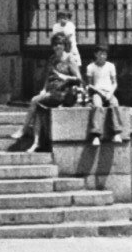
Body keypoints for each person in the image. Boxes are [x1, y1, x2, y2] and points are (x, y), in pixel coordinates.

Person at [11, 8, 83, 151]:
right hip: (52, 92)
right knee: (38, 110)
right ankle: (36, 143)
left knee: (34, 100)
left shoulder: (70, 59)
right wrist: (43, 89)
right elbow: (48, 76)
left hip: (65, 93)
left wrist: (65, 77)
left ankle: (23, 129)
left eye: (60, 44)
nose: (57, 47)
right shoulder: (52, 59)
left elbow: (79, 79)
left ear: (65, 45)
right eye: (55, 45)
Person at [80, 48, 122, 176]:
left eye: (104, 54)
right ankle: (96, 135)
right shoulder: (91, 67)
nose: (102, 56)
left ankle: (116, 132)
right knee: (97, 106)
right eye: (100, 54)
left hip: (109, 92)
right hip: (97, 92)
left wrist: (110, 93)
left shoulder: (111, 66)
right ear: (95, 54)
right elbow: (89, 85)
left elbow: (114, 83)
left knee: (114, 104)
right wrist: (99, 92)